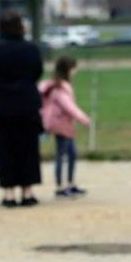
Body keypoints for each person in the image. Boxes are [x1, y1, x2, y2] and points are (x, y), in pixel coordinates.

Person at [0, 11, 43, 207]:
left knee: (4, 147)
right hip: (25, 102)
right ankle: (27, 190)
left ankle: (8, 193)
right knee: (28, 147)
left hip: (0, 104)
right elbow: (37, 71)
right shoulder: (30, 48)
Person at [38, 55, 91, 198]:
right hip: (60, 123)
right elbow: (68, 106)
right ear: (69, 69)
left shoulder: (55, 84)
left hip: (62, 123)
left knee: (72, 153)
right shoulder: (60, 87)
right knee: (62, 154)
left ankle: (70, 183)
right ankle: (60, 187)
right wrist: (83, 119)